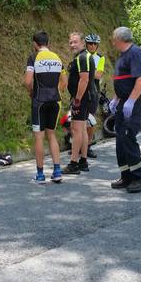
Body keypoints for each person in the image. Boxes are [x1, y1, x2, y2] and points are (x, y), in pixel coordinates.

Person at [23, 30, 67, 183]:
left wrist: (31, 93)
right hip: (55, 100)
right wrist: (55, 91)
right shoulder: (57, 58)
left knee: (39, 137)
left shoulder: (33, 57)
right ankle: (57, 171)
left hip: (39, 101)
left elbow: (28, 81)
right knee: (52, 135)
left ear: (35, 44)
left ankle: (40, 175)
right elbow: (64, 82)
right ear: (49, 43)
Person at [109, 27, 141, 193]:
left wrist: (131, 100)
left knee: (127, 137)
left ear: (119, 39)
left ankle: (139, 176)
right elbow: (122, 81)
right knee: (120, 139)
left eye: (113, 38)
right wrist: (116, 99)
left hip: (135, 102)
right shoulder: (123, 56)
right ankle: (126, 175)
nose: (112, 41)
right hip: (123, 101)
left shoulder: (135, 53)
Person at [62, 32, 96, 175]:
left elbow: (84, 80)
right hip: (86, 98)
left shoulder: (83, 57)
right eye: (70, 42)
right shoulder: (83, 57)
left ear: (83, 43)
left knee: (76, 130)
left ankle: (74, 163)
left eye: (75, 42)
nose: (72, 45)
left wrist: (77, 100)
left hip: (82, 98)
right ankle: (83, 161)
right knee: (82, 129)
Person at [85, 33, 105, 159]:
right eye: (90, 43)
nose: (92, 46)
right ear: (86, 44)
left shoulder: (100, 58)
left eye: (94, 44)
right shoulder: (81, 55)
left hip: (93, 90)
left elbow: (98, 75)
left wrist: (84, 73)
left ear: (97, 46)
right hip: (81, 90)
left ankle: (88, 146)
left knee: (90, 119)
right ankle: (79, 144)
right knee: (78, 119)